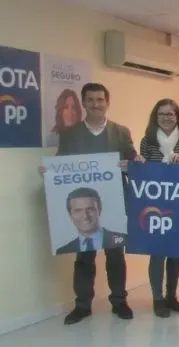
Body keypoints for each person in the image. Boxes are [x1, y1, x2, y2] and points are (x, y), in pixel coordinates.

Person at [41, 82, 137, 325]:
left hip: (113, 204)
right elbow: (61, 164)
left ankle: (119, 301)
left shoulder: (121, 132)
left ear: (107, 102)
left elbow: (133, 160)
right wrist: (49, 172)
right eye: (91, 100)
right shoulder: (70, 134)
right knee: (84, 256)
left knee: (115, 255)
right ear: (83, 103)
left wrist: (131, 164)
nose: (96, 104)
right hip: (84, 205)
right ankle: (82, 305)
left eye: (100, 99)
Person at [138, 98, 179, 318]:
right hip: (155, 202)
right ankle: (157, 298)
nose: (166, 118)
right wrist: (140, 163)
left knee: (174, 252)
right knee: (157, 253)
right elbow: (144, 168)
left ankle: (171, 296)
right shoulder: (147, 140)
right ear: (155, 116)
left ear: (177, 116)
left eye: (170, 114)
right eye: (161, 114)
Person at [56, 187, 126, 254]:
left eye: (90, 209)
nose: (85, 216)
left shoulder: (125, 240)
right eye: (78, 211)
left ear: (99, 210)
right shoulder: (63, 251)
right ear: (70, 216)